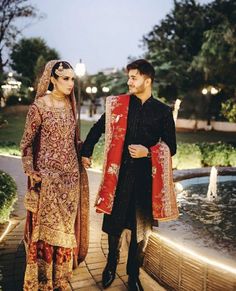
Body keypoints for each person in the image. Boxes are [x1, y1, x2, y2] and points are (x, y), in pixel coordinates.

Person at [81, 59, 178, 291]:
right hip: (119, 177)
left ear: (147, 80)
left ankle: (133, 274)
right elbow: (98, 128)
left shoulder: (163, 111)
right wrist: (87, 150)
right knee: (114, 226)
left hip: (146, 181)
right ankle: (111, 264)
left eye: (133, 77)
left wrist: (148, 153)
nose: (129, 82)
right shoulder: (120, 105)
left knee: (139, 232)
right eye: (129, 77)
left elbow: (171, 147)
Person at [20, 60, 89, 290]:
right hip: (47, 181)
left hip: (70, 180)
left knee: (65, 230)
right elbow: (26, 145)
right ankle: (43, 279)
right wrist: (31, 171)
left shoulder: (70, 105)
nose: (70, 83)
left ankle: (60, 278)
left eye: (72, 79)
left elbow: (72, 141)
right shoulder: (39, 106)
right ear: (52, 80)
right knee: (45, 232)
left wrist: (83, 154)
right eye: (65, 79)